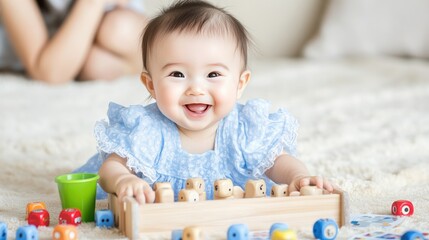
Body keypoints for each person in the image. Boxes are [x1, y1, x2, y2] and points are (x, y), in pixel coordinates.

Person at [74, 0, 334, 204]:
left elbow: (279, 161)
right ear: (151, 85)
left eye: (213, 75)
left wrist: (298, 176)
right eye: (177, 74)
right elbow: (110, 168)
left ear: (240, 84)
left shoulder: (244, 129)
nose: (196, 89)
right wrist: (123, 181)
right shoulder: (148, 130)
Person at [0, 0, 147, 84]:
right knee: (94, 64)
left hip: (103, 25)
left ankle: (146, 67)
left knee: (119, 28)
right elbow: (48, 74)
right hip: (49, 53)